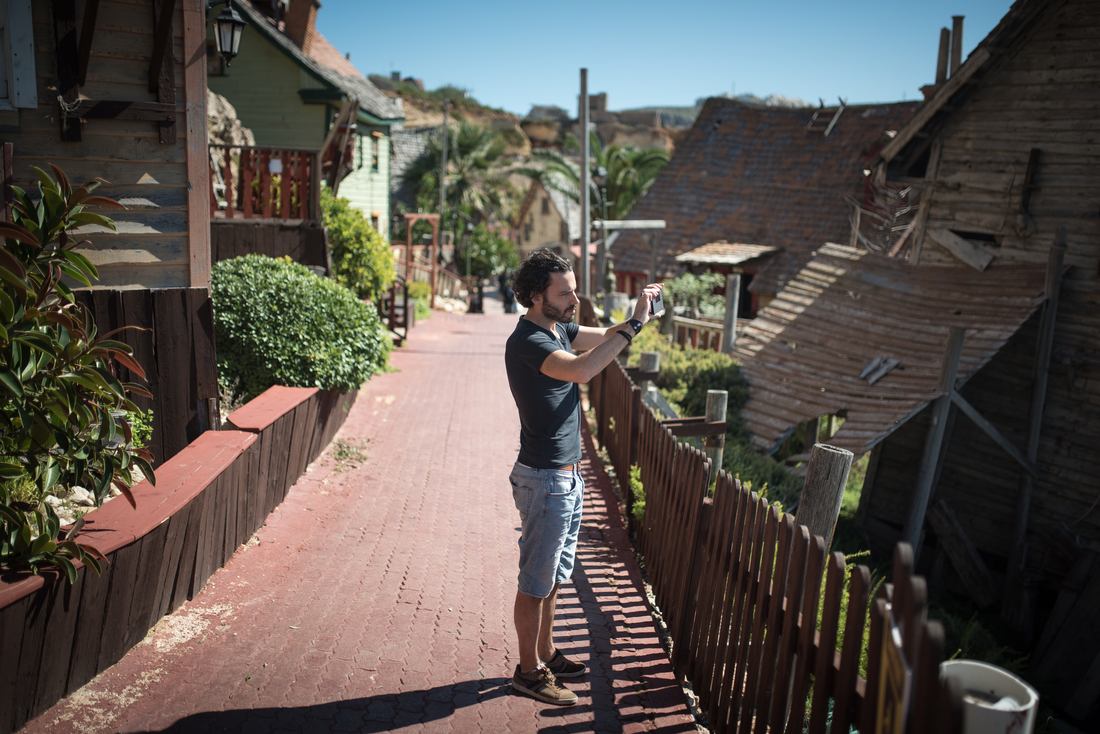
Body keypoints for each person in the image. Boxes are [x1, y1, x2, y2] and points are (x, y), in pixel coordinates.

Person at [504, 248, 662, 705]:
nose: (575, 299)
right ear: (536, 296)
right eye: (565, 292)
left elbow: (607, 337)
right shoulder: (529, 341)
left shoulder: (558, 327)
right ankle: (528, 671)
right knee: (535, 581)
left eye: (574, 289)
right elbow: (583, 371)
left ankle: (547, 653)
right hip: (544, 479)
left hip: (567, 477)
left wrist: (640, 316)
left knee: (553, 576)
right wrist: (630, 329)